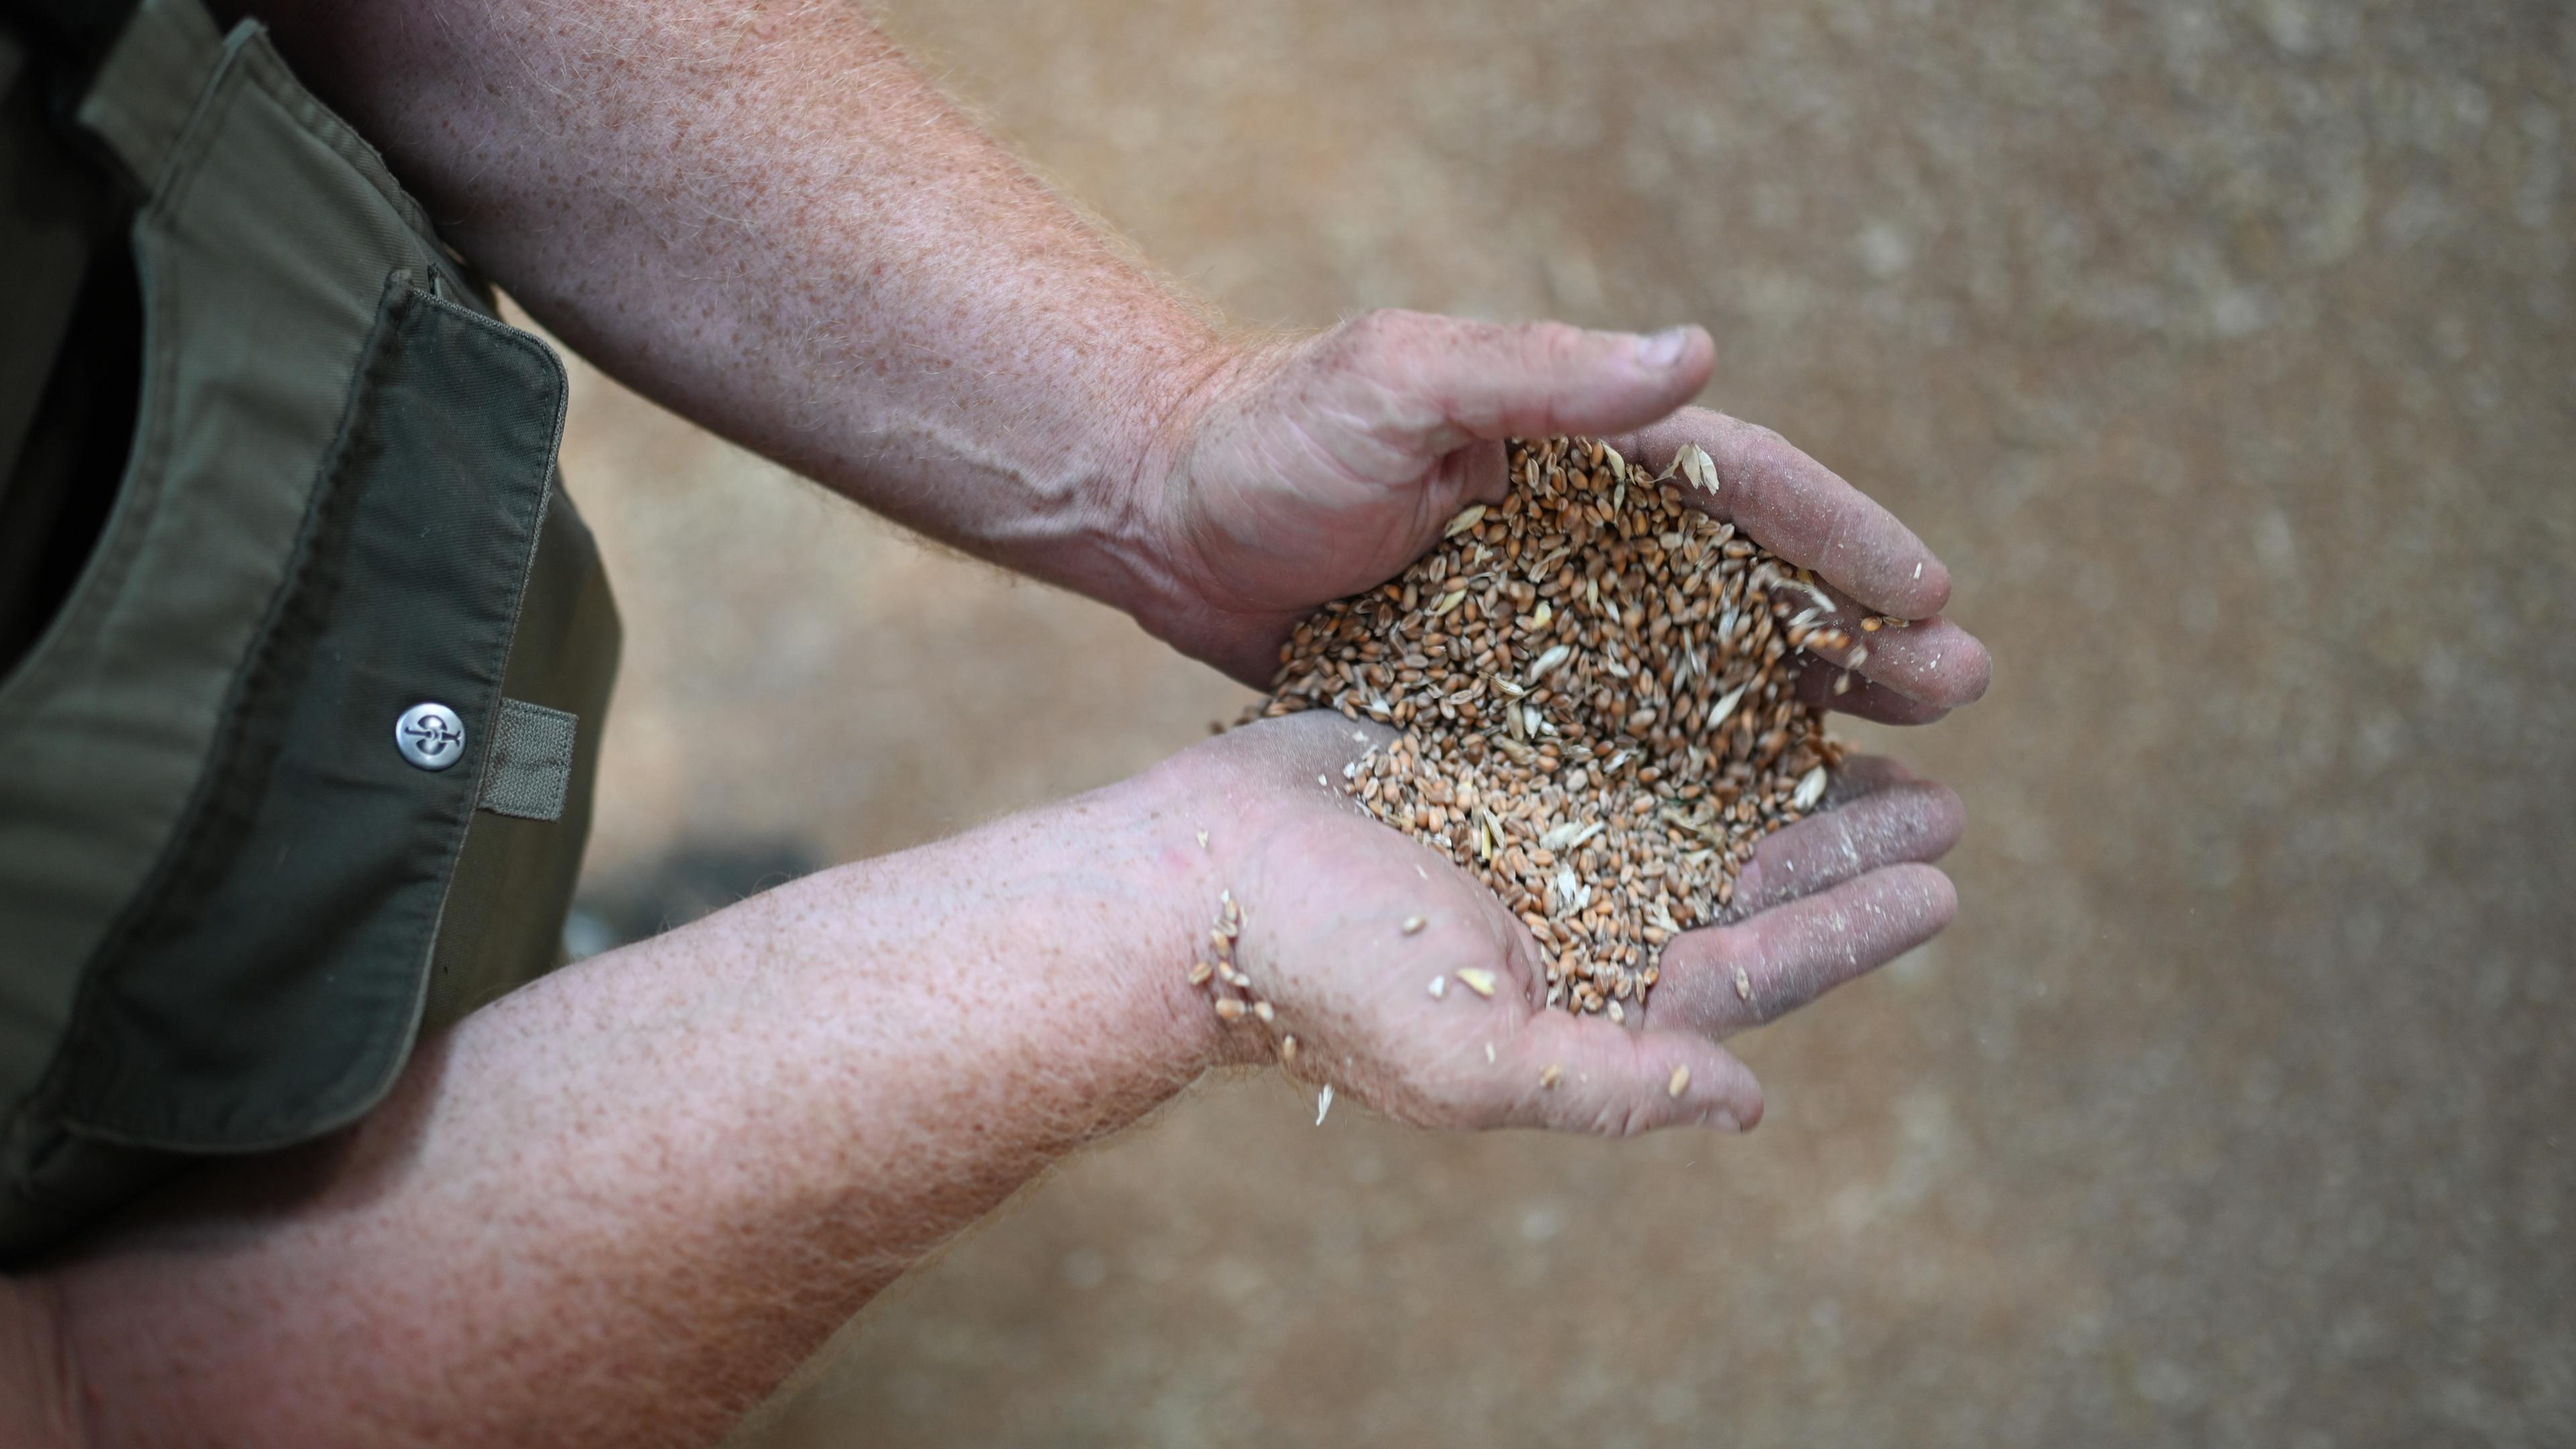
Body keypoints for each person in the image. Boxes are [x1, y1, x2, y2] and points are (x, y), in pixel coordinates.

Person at [0, 0, 1990, 1442]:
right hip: (77, 1107)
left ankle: (538, 996)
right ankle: (546, 1071)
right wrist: (1175, 917)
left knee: (490, 805)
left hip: (329, 530)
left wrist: (1159, 452)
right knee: (293, 1117)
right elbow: (98, 1396)